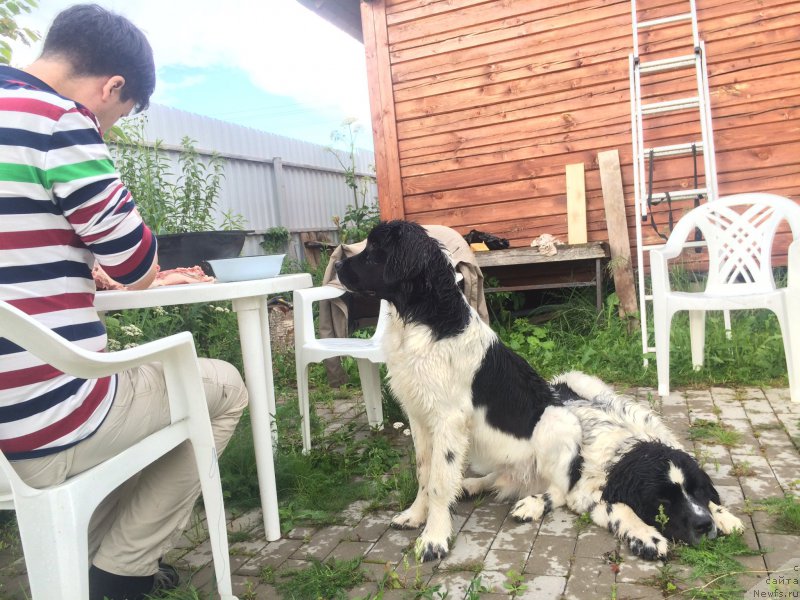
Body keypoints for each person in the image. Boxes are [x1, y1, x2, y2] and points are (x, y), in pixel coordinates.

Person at [0, 5, 248, 599]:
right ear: (113, 86)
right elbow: (135, 266)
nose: (106, 129)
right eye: (117, 115)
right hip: (41, 420)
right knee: (224, 388)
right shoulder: (58, 120)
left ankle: (89, 557)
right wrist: (131, 270)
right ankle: (121, 573)